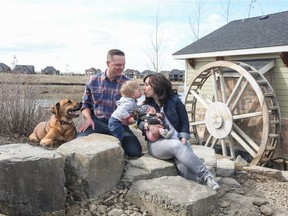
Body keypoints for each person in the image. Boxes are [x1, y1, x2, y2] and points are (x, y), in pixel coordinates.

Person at [137, 73, 220, 190]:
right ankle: (207, 176)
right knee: (177, 146)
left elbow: (185, 122)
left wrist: (184, 137)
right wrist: (147, 126)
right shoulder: (145, 106)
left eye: (146, 85)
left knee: (184, 165)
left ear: (156, 85)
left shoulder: (175, 101)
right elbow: (138, 123)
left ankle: (202, 187)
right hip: (158, 144)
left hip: (178, 138)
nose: (144, 88)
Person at [77, 49, 142, 158]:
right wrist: (88, 119)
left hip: (119, 125)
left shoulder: (128, 84)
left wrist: (130, 120)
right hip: (96, 123)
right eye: (118, 65)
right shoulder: (93, 80)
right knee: (79, 143)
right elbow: (85, 104)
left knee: (135, 152)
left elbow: (134, 108)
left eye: (123, 65)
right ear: (108, 63)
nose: (122, 68)